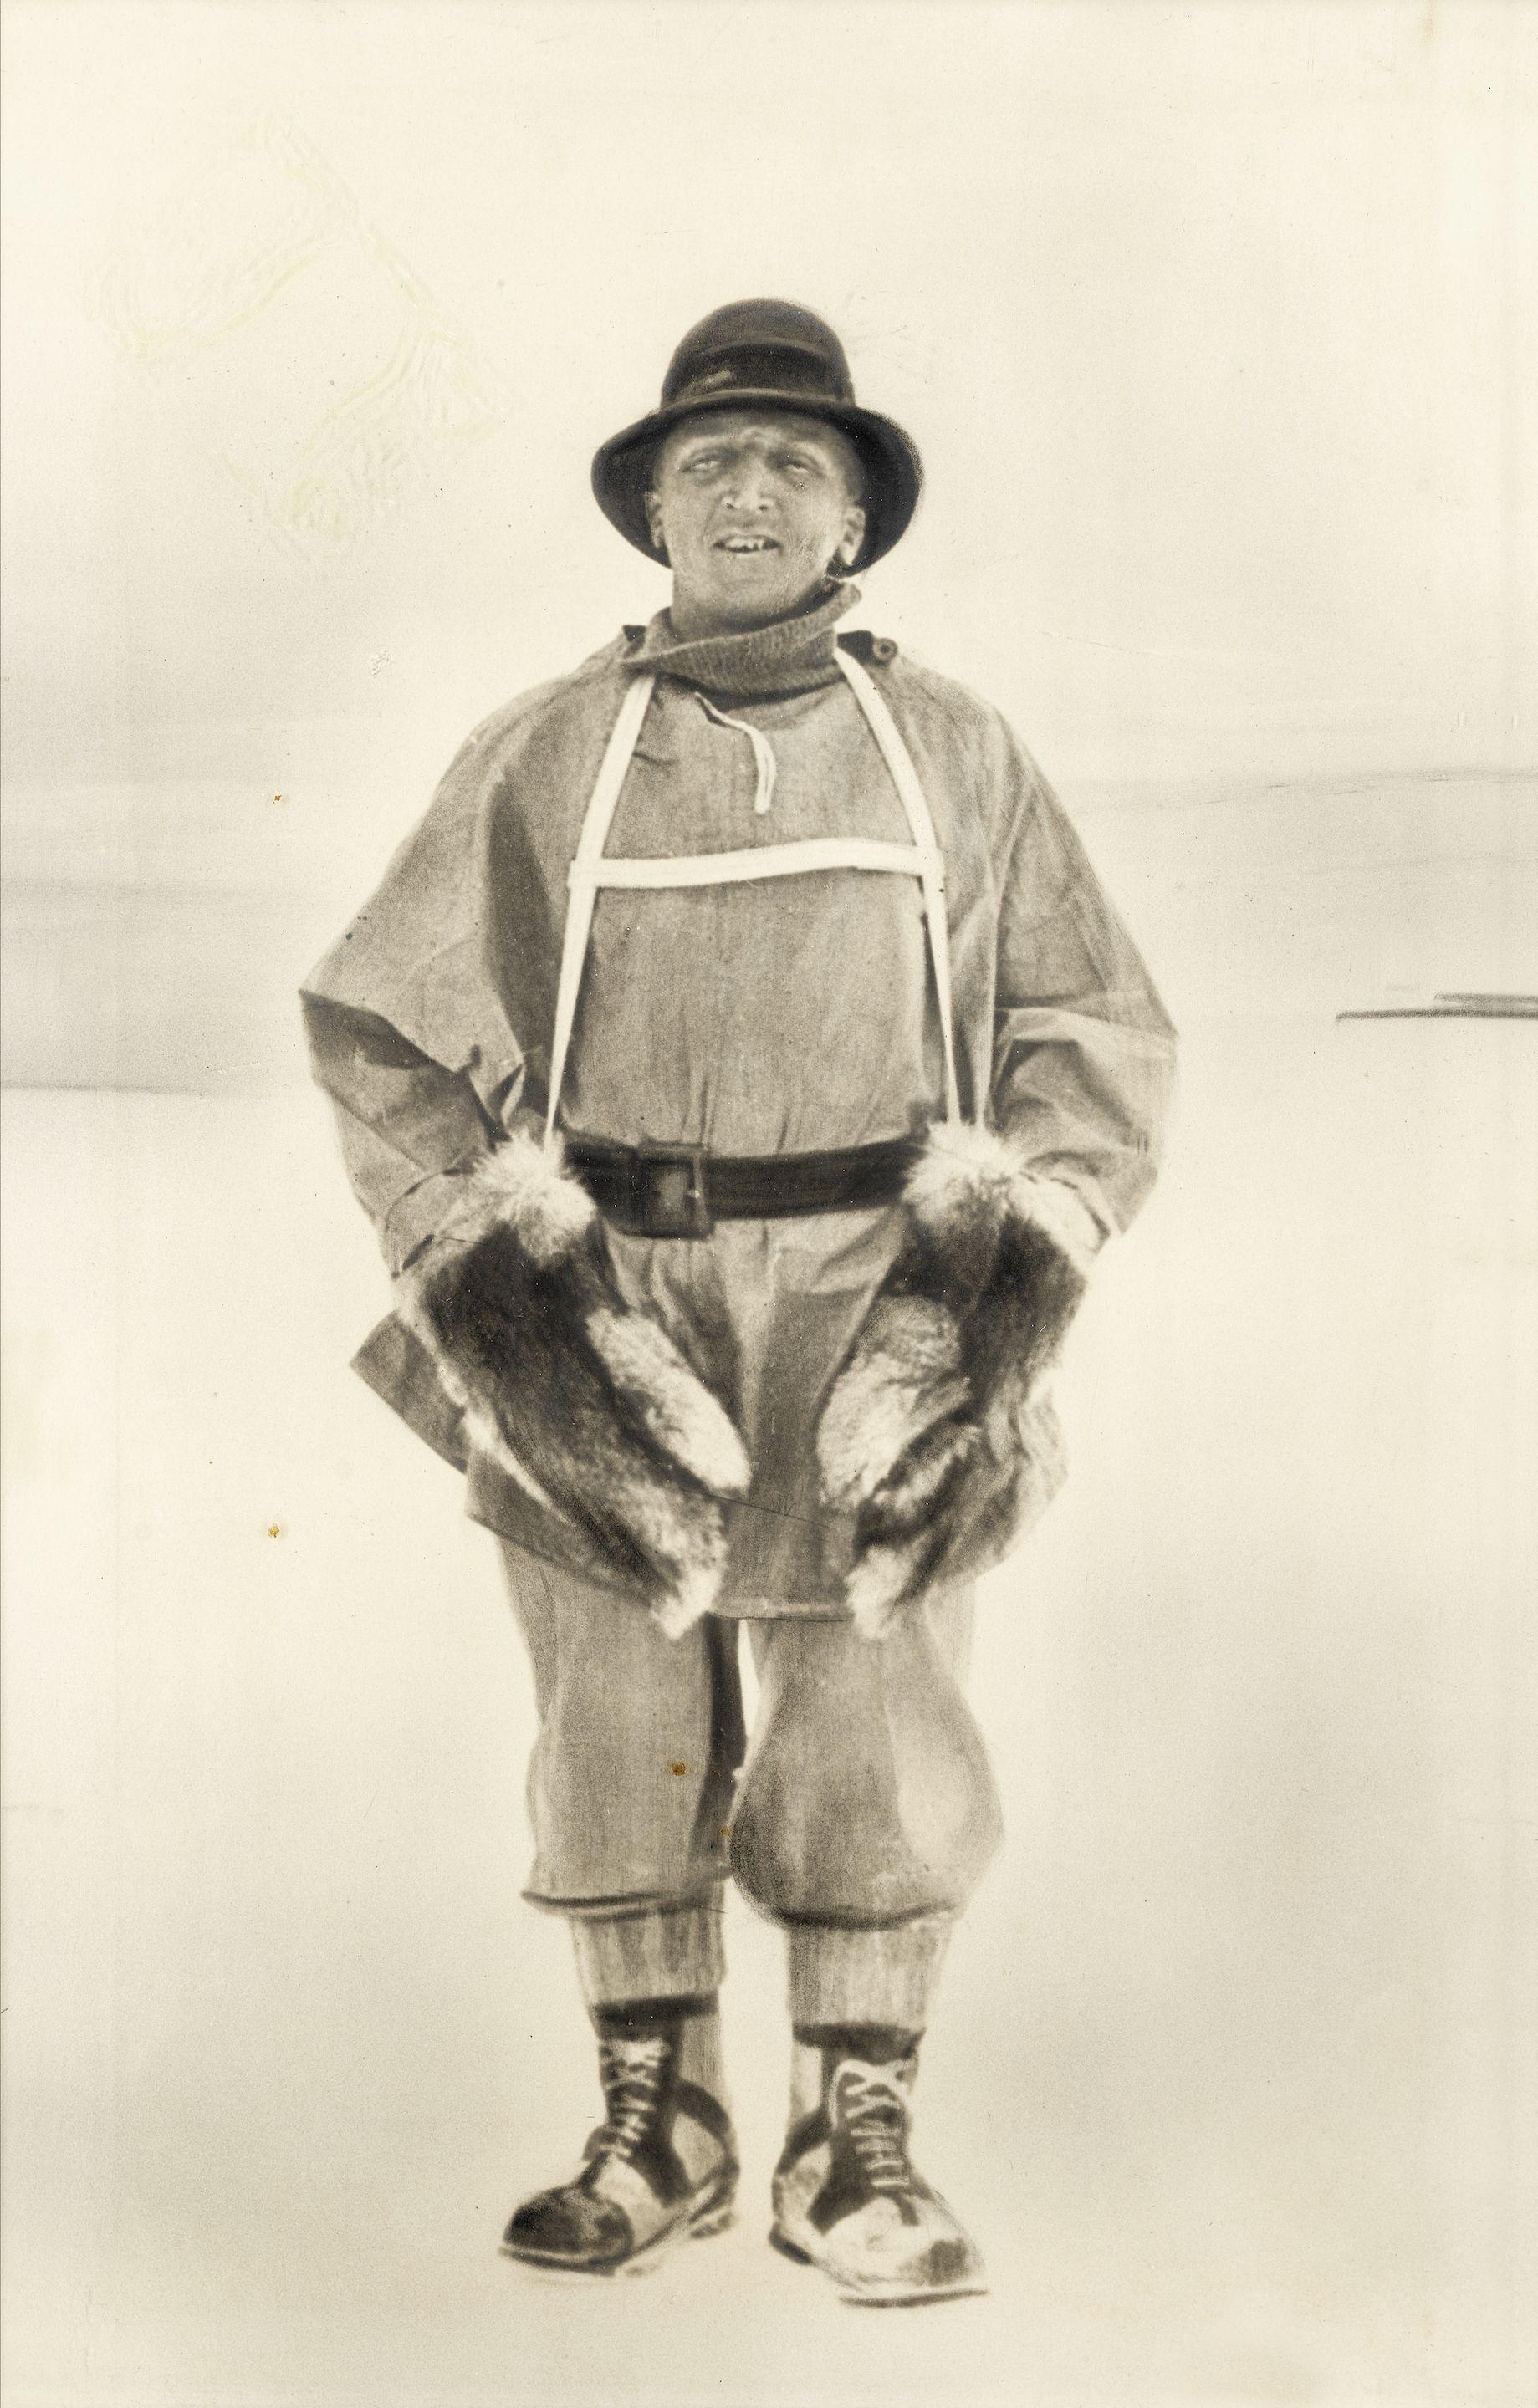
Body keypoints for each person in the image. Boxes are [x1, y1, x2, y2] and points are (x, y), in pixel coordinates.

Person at [300, 298, 1177, 2305]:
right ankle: (657, 2121)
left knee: (871, 1708)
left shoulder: (955, 751)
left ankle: (847, 2138)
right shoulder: (541, 751)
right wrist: (499, 1280)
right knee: (616, 1708)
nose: (749, 492)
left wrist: (1004, 1269)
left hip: (879, 1297)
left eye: (793, 460)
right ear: (653, 515)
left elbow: (1089, 1023)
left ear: (855, 511)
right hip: (611, 1296)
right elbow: (380, 1022)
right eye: (710, 466)